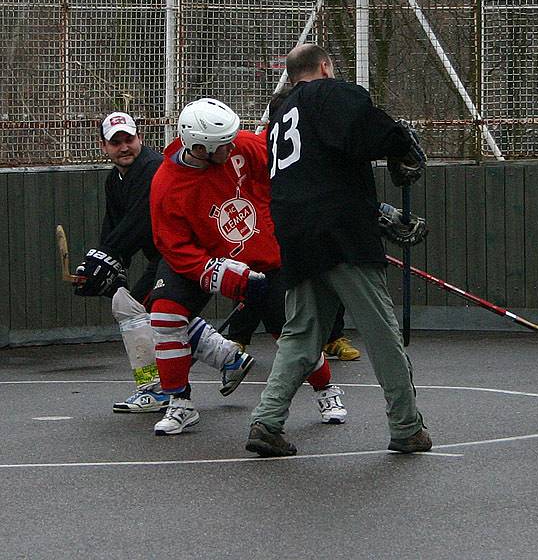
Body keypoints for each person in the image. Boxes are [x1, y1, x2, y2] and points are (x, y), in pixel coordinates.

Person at [245, 43, 431, 457]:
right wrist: (401, 147)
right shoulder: (330, 93)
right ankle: (406, 426)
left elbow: (318, 166)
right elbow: (371, 129)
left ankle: (267, 420)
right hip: (342, 234)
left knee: (299, 335)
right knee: (382, 331)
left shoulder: (279, 116)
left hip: (295, 233)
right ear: (325, 67)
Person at [149, 97, 345, 436]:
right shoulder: (166, 184)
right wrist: (222, 276)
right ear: (198, 147)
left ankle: (327, 390)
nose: (230, 149)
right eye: (221, 146)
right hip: (200, 258)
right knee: (165, 316)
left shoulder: (238, 146)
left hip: (263, 255)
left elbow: (283, 162)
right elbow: (174, 247)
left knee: (292, 333)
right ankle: (179, 403)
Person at [75, 112, 249, 414]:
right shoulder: (115, 179)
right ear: (103, 147)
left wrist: (107, 258)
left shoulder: (153, 169)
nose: (124, 147)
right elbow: (114, 225)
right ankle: (228, 358)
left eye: (128, 139)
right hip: (167, 257)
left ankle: (156, 389)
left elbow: (140, 222)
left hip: (185, 255)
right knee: (160, 315)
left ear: (139, 138)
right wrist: (103, 261)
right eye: (115, 142)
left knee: (137, 310)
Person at [227, 85, 361, 363]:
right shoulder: (256, 147)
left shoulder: (310, 148)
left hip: (302, 225)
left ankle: (333, 337)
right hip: (265, 229)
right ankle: (237, 338)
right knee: (258, 282)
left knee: (324, 271)